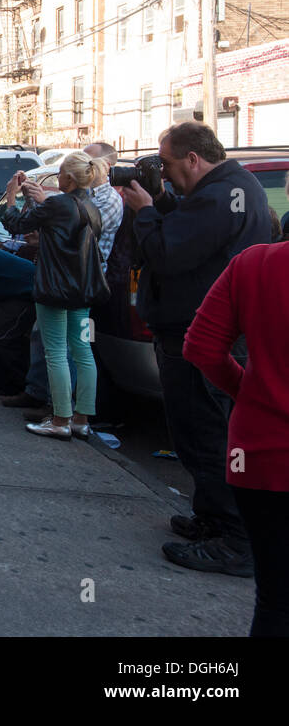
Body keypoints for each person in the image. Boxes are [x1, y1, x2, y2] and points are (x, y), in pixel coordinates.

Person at [123, 120, 272, 576]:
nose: (164, 175)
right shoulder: (229, 190)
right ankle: (213, 519)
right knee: (202, 433)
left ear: (193, 158)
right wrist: (164, 203)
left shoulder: (222, 194)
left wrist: (147, 209)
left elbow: (169, 251)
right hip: (201, 330)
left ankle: (235, 540)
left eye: (167, 165)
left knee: (205, 436)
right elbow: (192, 234)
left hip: (200, 333)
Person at [184, 241, 289, 635]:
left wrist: (248, 392)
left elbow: (201, 347)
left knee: (277, 600)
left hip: (261, 454)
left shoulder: (256, 264)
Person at [3, 149, 122, 414]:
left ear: (68, 177)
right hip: (84, 288)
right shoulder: (91, 206)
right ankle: (81, 417)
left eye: (59, 174)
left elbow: (16, 224)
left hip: (56, 287)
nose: (57, 179)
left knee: (55, 351)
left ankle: (60, 417)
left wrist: (12, 196)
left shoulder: (60, 204)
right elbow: (67, 239)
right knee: (82, 350)